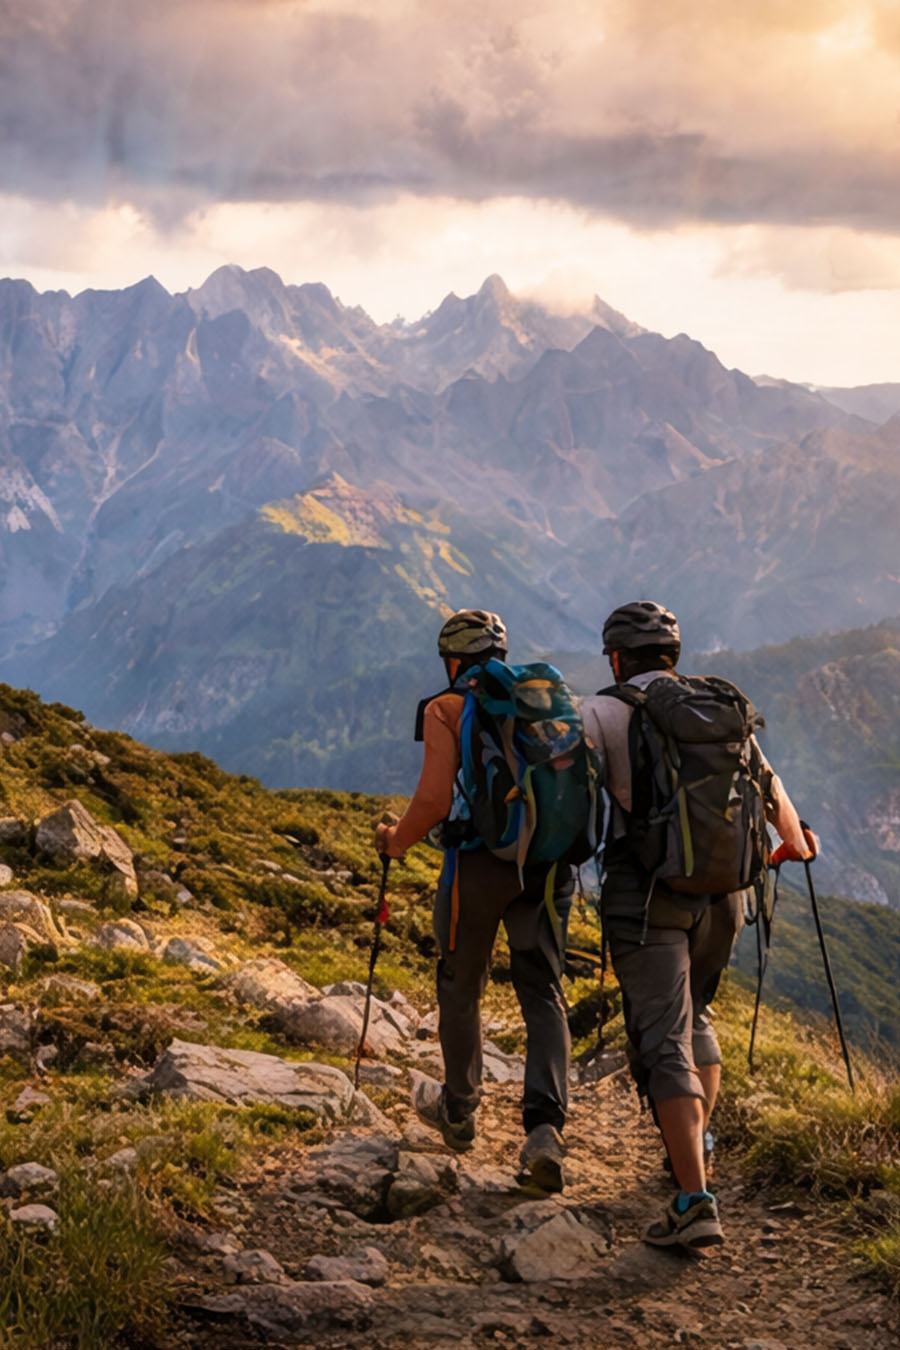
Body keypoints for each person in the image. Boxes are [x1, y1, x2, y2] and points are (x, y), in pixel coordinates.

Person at [579, 600, 817, 1250]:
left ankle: (693, 1201)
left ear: (617, 658)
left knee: (664, 1040)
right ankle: (695, 1146)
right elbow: (775, 799)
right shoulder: (718, 712)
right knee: (698, 1017)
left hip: (648, 895)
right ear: (674, 656)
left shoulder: (601, 712)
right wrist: (791, 845)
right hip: (726, 896)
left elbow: (566, 793)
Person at [375, 609, 575, 1192]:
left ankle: (460, 1110)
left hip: (478, 865)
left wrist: (395, 841)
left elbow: (434, 801)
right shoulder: (543, 702)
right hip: (546, 864)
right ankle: (545, 1130)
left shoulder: (445, 708)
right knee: (543, 990)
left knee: (461, 983)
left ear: (453, 661)